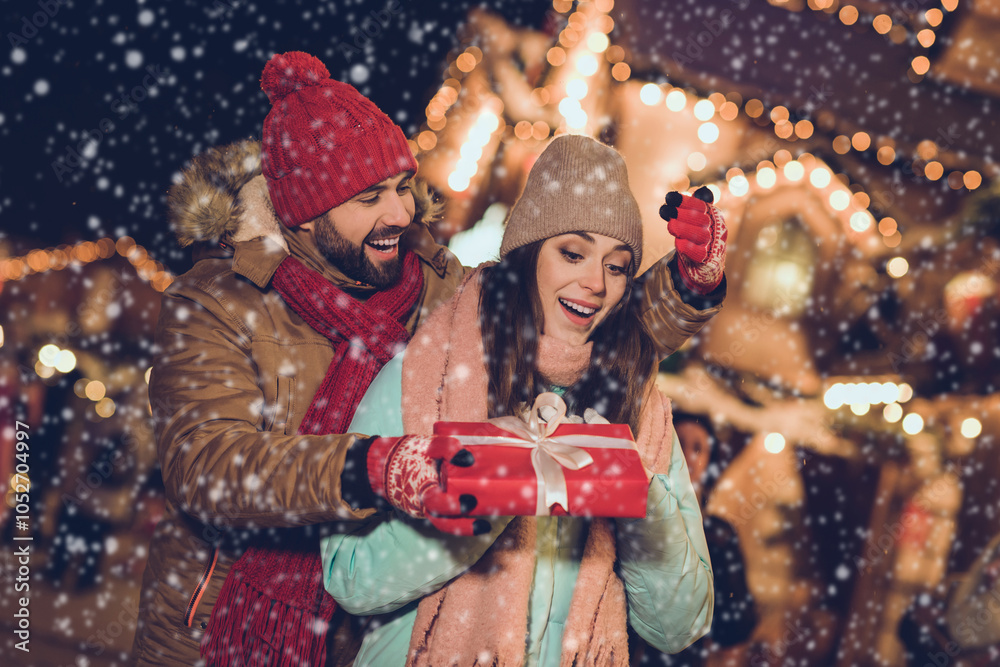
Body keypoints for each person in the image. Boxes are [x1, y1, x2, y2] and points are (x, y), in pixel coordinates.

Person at [131, 51, 728, 665]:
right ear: (306, 216)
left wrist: (685, 286)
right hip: (224, 627)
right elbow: (207, 466)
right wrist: (372, 465)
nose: (402, 214)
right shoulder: (220, 303)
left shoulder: (434, 290)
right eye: (370, 198)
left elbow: (565, 312)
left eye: (401, 188)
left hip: (350, 637)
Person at [322, 135, 719, 666]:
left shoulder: (639, 407)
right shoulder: (428, 372)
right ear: (530, 254)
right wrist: (489, 491)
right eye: (572, 253)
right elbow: (349, 574)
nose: (595, 283)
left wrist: (644, 510)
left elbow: (681, 626)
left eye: (618, 265)